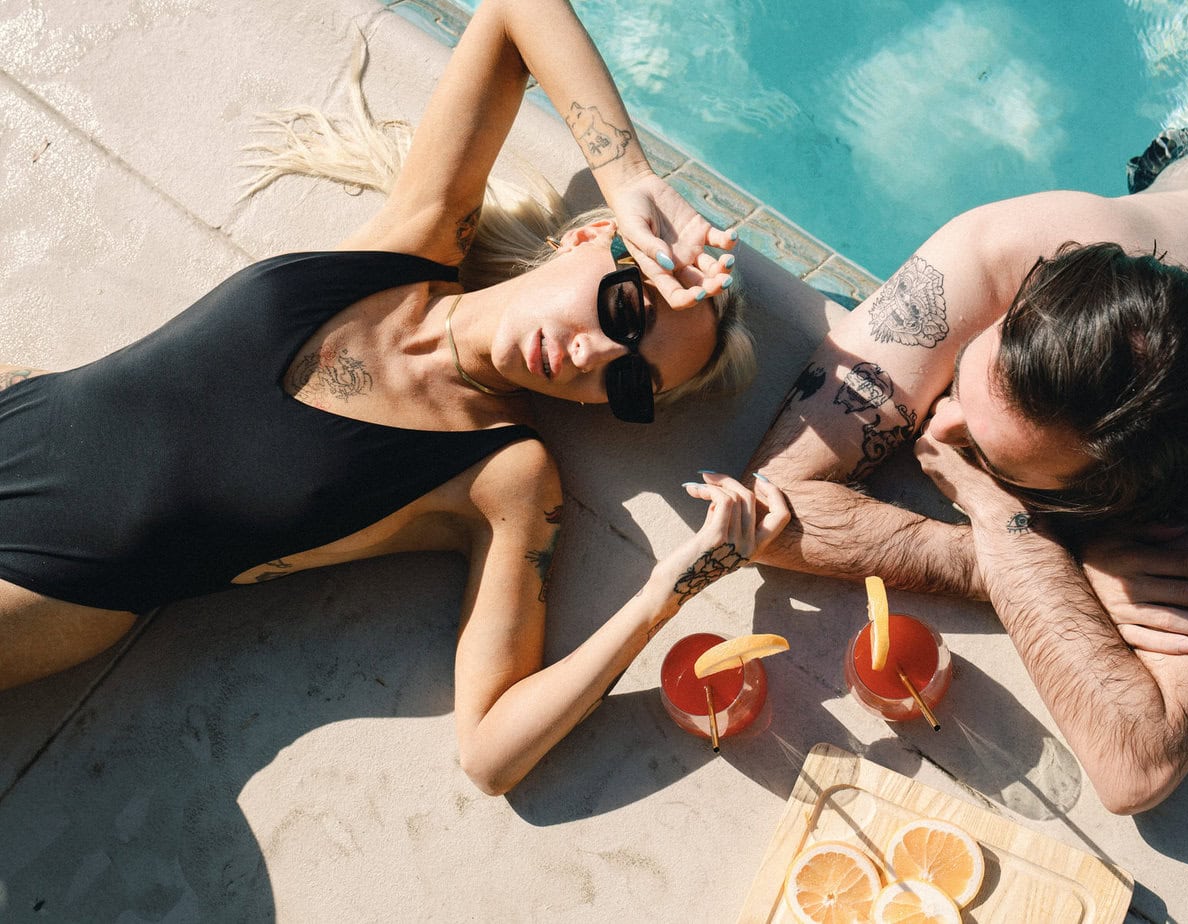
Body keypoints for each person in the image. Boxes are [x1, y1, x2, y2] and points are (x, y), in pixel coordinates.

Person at [0, 0, 789, 796]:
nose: (589, 354)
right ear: (587, 241)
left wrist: (668, 590)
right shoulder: (414, 240)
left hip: (51, 581)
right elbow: (518, 10)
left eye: (628, 382)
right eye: (626, 309)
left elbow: (490, 753)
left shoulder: (502, 474)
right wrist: (632, 179)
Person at [745, 114, 1188, 814]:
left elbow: (1137, 768)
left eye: (993, 459)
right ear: (1029, 295)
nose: (942, 424)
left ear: (1117, 498)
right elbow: (768, 506)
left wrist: (997, 510)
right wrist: (1069, 567)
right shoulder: (999, 246)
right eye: (962, 376)